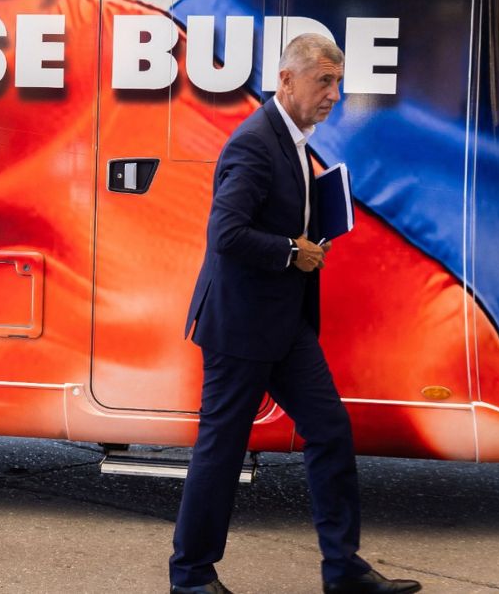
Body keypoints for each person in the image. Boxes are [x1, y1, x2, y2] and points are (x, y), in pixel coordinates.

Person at [172, 34, 421, 594]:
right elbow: (227, 233)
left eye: (338, 81)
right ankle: (189, 577)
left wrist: (313, 228)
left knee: (330, 432)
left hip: (284, 325)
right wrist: (293, 251)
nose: (335, 93)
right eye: (323, 81)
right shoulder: (255, 144)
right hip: (240, 326)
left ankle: (344, 571)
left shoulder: (294, 140)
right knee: (222, 448)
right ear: (286, 80)